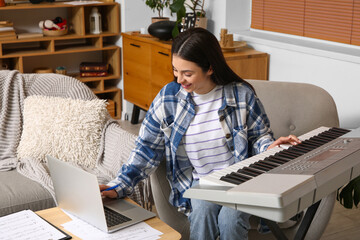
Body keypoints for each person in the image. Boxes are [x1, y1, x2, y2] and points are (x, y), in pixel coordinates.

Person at [100, 28, 300, 240]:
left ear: (210, 68)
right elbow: (146, 148)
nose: (179, 80)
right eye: (176, 70)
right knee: (202, 213)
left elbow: (259, 137)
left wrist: (270, 148)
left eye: (188, 73)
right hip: (200, 182)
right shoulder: (169, 98)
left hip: (241, 180)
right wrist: (119, 185)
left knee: (230, 221)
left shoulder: (242, 94)